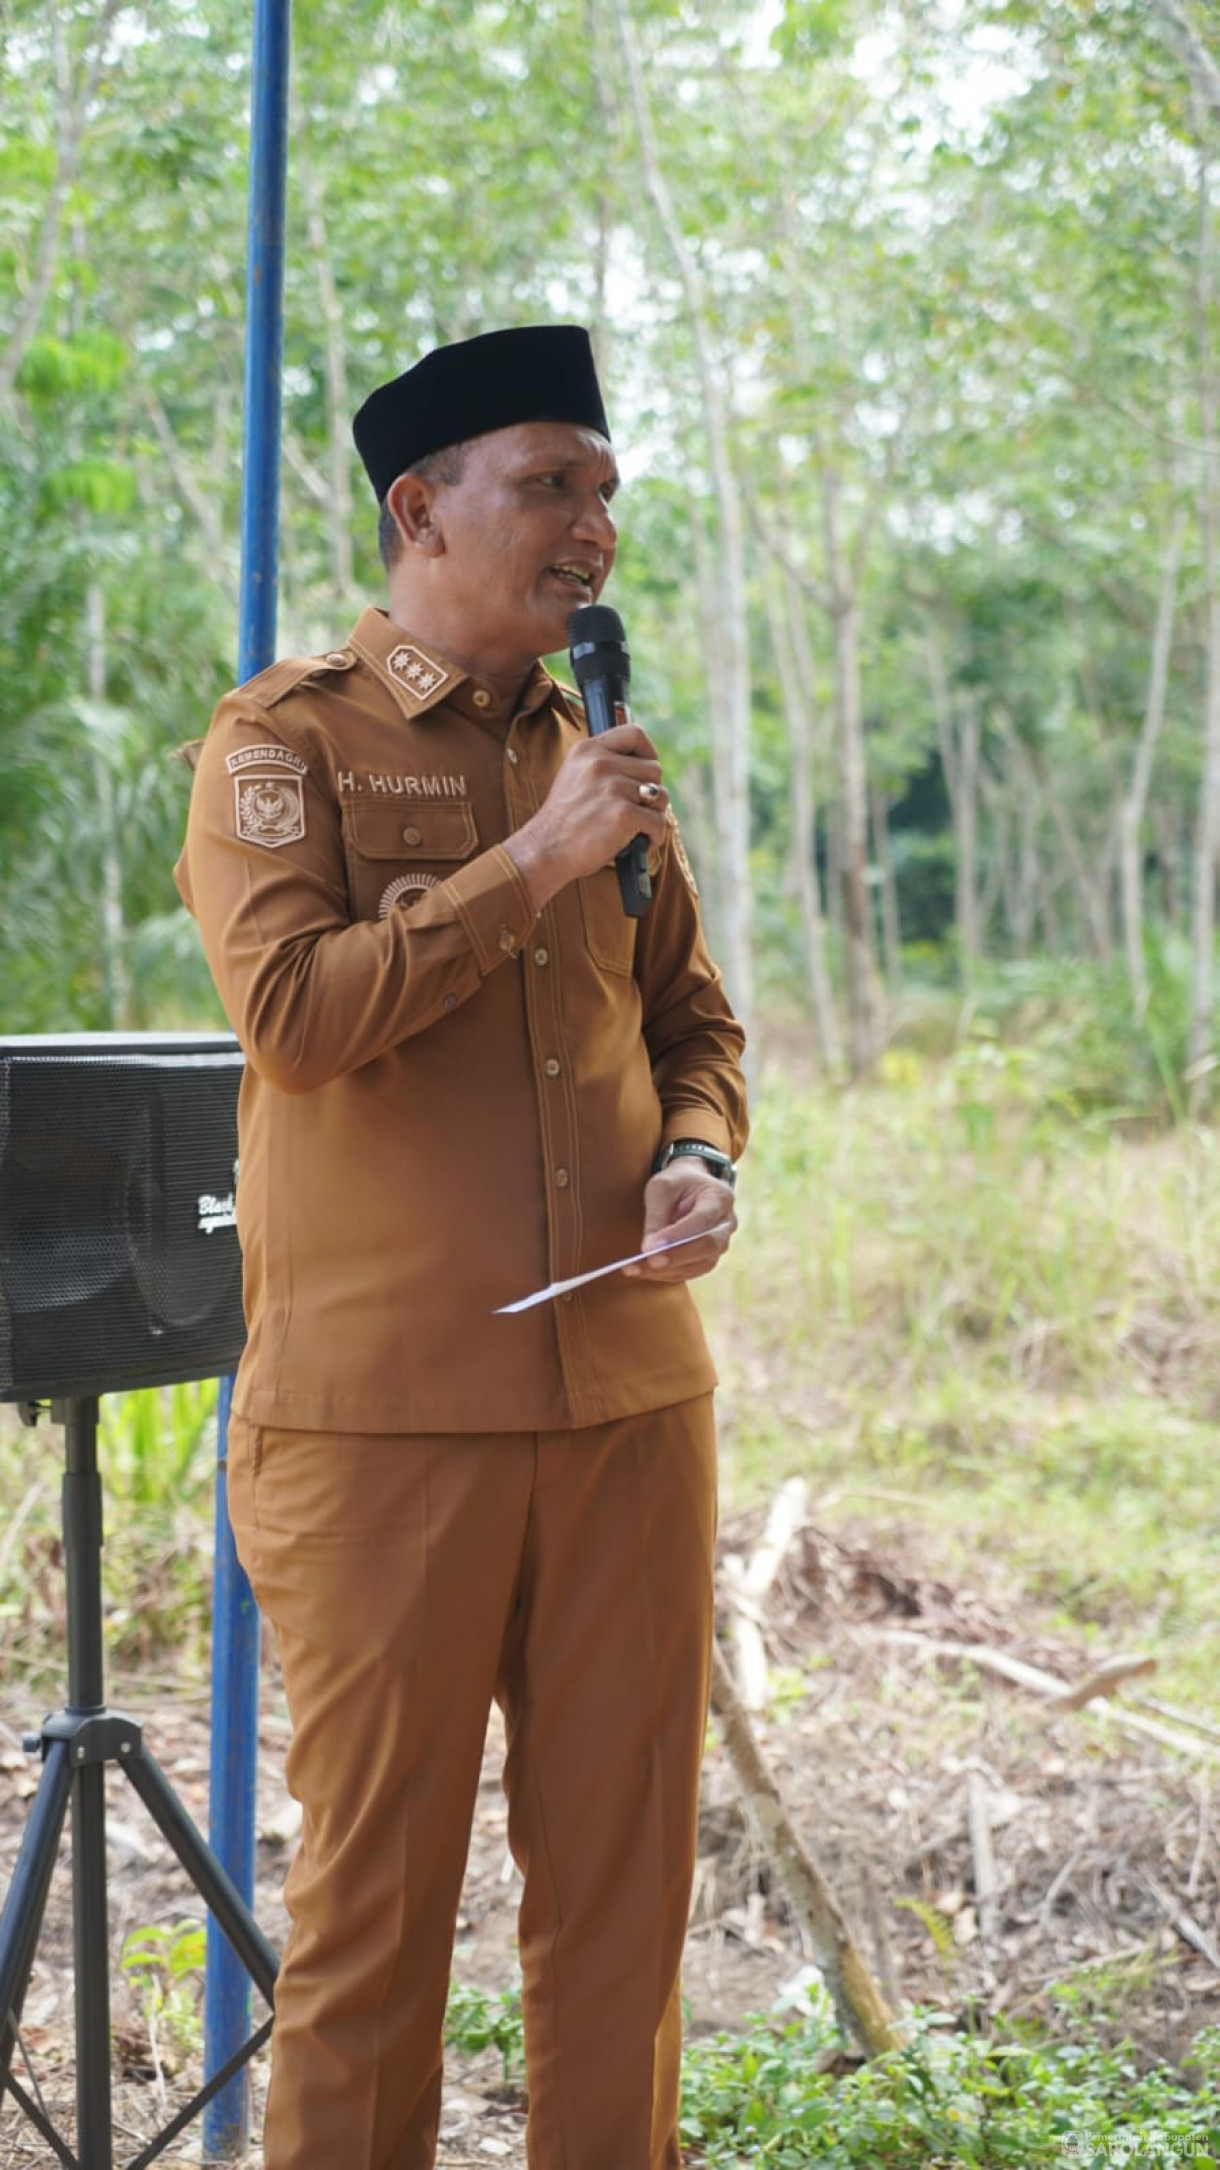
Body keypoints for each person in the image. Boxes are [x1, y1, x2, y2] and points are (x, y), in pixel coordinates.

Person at [175, 323, 748, 2170]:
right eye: (551, 483)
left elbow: (699, 1029)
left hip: (626, 1412)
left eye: (604, 486)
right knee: (371, 1923)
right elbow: (292, 1016)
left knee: (622, 1914)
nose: (595, 522)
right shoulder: (288, 740)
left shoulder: (601, 755)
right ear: (421, 508)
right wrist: (531, 867)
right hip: (381, 1427)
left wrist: (696, 1158)